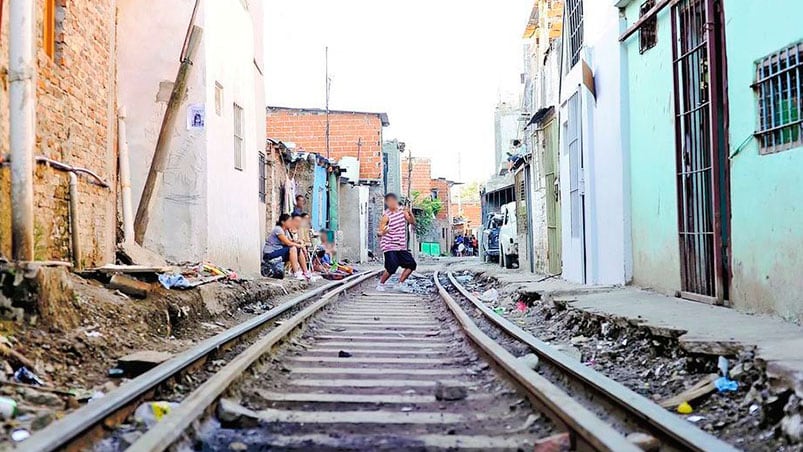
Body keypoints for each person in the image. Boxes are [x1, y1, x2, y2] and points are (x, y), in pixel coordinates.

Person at [376, 193, 417, 291]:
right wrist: (383, 232)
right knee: (392, 266)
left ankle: (400, 283)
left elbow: (412, 222)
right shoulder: (386, 216)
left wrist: (410, 212)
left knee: (411, 264)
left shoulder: (402, 212)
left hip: (400, 245)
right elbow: (379, 233)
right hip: (389, 245)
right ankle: (381, 284)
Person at [262, 213, 308, 280]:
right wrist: (300, 245)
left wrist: (299, 242)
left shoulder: (286, 231)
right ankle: (296, 273)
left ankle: (306, 272)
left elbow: (291, 241)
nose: (290, 223)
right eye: (289, 221)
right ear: (283, 222)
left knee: (298, 250)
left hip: (278, 252)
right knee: (293, 248)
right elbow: (288, 243)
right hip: (270, 254)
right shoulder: (278, 229)